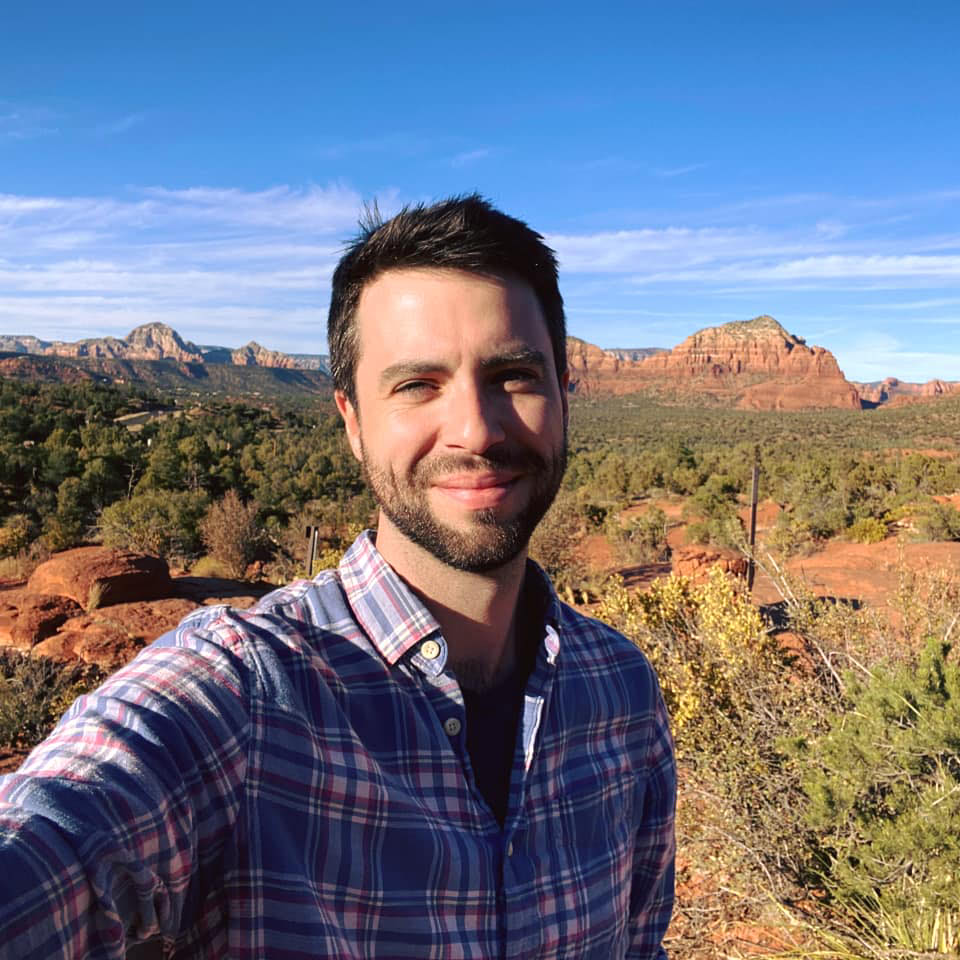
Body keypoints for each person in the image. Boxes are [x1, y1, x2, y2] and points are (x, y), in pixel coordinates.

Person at [0, 195, 675, 959]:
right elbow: (58, 839)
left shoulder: (621, 693)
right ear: (353, 421)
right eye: (418, 384)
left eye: (514, 375)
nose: (477, 430)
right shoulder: (245, 692)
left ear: (562, 396)